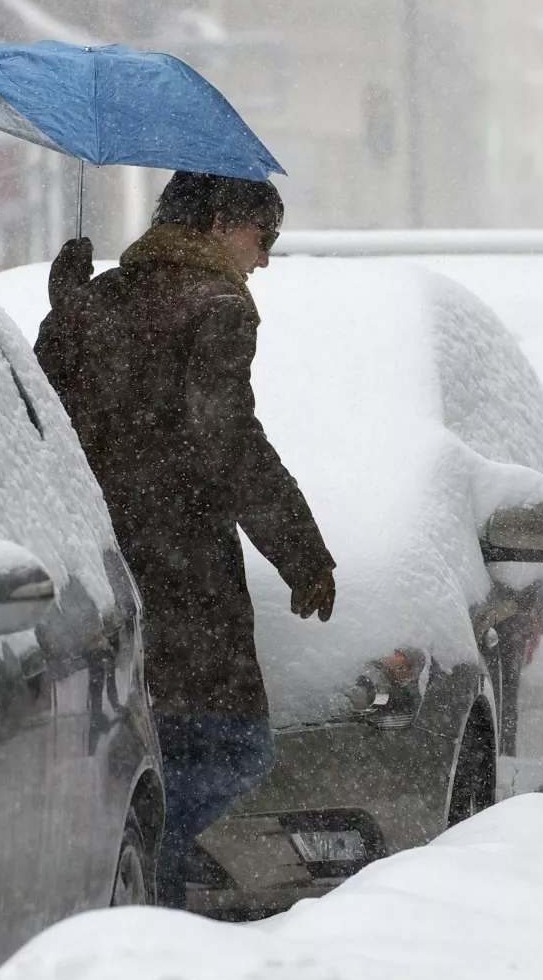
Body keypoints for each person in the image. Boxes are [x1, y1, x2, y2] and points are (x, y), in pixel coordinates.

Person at [35, 171, 336, 908]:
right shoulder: (215, 306)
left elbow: (51, 421)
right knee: (234, 746)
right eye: (262, 237)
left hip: (101, 556)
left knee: (147, 744)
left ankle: (139, 882)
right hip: (182, 562)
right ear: (221, 222)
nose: (262, 259)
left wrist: (64, 310)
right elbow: (225, 438)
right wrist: (301, 552)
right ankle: (144, 874)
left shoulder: (101, 300)